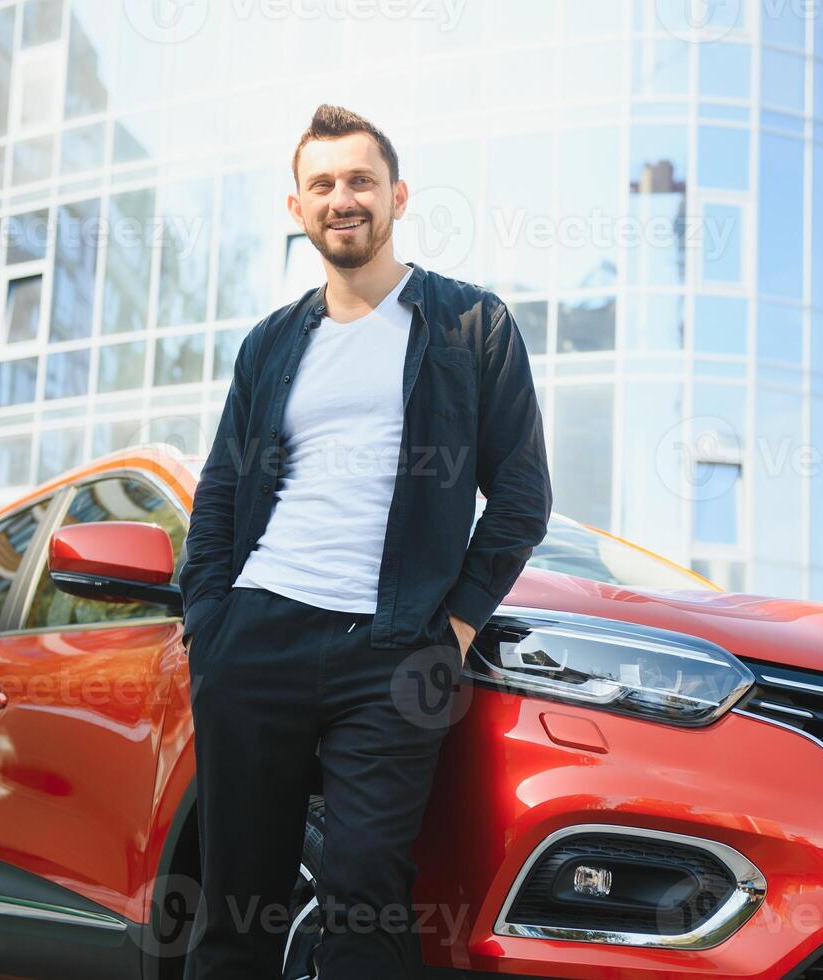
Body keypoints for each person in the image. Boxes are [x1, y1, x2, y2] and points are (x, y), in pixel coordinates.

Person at [177, 104, 553, 979]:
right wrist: (209, 623)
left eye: (359, 181)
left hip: (395, 656)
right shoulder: (271, 343)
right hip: (255, 639)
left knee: (367, 893)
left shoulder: (471, 325)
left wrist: (450, 632)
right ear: (297, 207)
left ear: (398, 195)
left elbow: (523, 498)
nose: (341, 199)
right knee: (238, 901)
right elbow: (222, 491)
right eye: (322, 185)